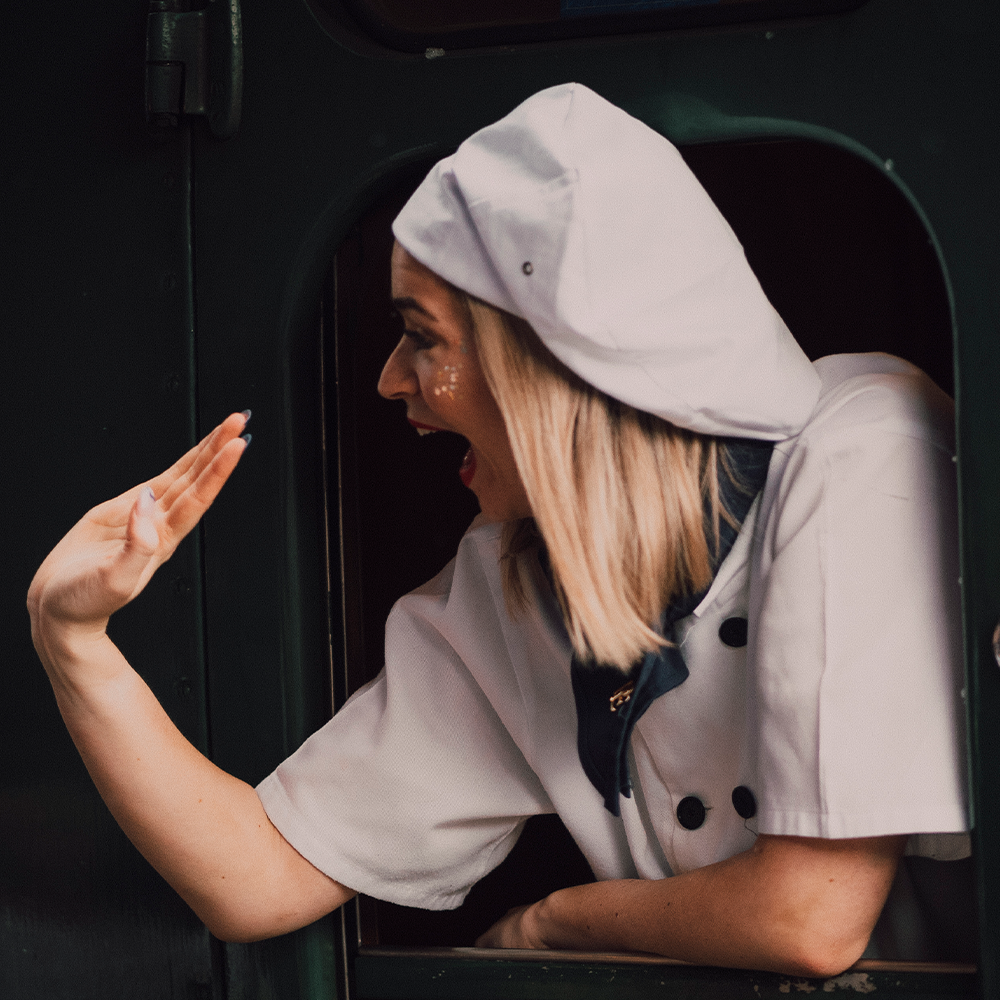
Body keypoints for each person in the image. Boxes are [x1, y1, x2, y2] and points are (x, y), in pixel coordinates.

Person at [27, 83, 970, 975]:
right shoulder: (512, 584)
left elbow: (809, 917)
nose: (392, 381)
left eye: (424, 338)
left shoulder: (858, 447)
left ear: (558, 359)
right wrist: (71, 640)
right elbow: (255, 878)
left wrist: (550, 923)